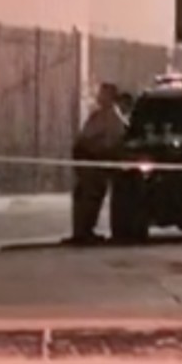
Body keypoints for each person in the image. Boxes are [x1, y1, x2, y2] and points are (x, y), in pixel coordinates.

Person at [69, 82, 127, 244]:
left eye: (103, 93)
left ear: (111, 97)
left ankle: (85, 231)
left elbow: (111, 142)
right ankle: (80, 232)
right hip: (88, 160)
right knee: (83, 196)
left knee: (91, 197)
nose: (99, 96)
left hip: (95, 160)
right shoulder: (100, 115)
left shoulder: (111, 117)